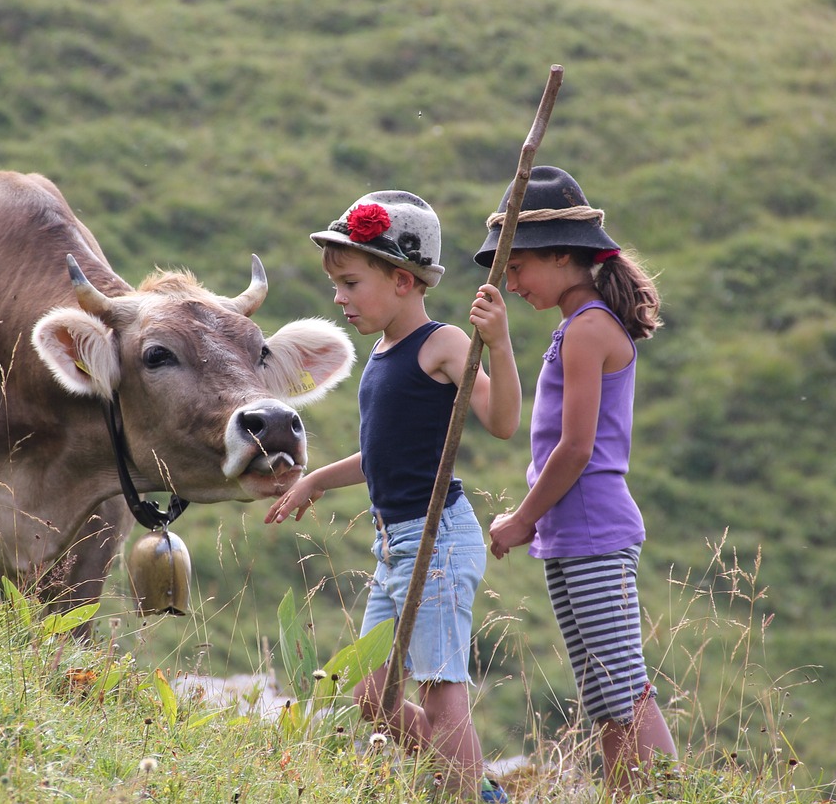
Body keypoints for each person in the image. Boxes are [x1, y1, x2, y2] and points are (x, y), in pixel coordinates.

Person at [264, 190, 519, 801]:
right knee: (371, 697)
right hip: (394, 547)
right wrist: (316, 479)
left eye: (351, 283)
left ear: (403, 280)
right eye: (336, 285)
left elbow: (504, 421)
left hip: (437, 540)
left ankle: (466, 793)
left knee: (439, 691)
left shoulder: (443, 343)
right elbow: (382, 456)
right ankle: (475, 788)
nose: (339, 298)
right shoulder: (381, 354)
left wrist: (501, 344)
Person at [477, 165, 678, 796]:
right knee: (602, 692)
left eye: (518, 268)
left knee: (622, 685)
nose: (512, 283)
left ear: (563, 255)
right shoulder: (576, 327)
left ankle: (666, 793)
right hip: (572, 532)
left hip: (592, 527)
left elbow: (576, 449)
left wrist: (522, 519)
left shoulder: (589, 329)